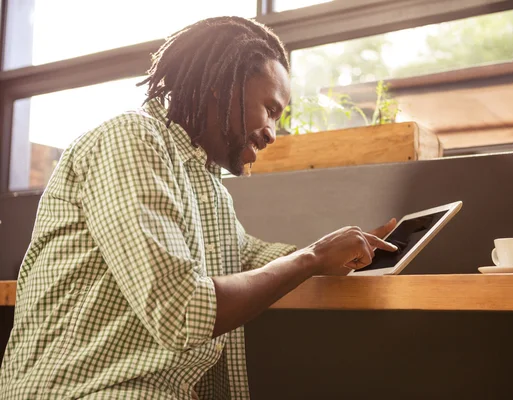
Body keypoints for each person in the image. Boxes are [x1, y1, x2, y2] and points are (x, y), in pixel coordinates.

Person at [0, 16, 397, 400]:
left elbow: (242, 256)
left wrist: (334, 255)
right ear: (222, 88)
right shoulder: (131, 139)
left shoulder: (204, 180)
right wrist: (310, 258)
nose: (273, 134)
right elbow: (182, 309)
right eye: (270, 110)